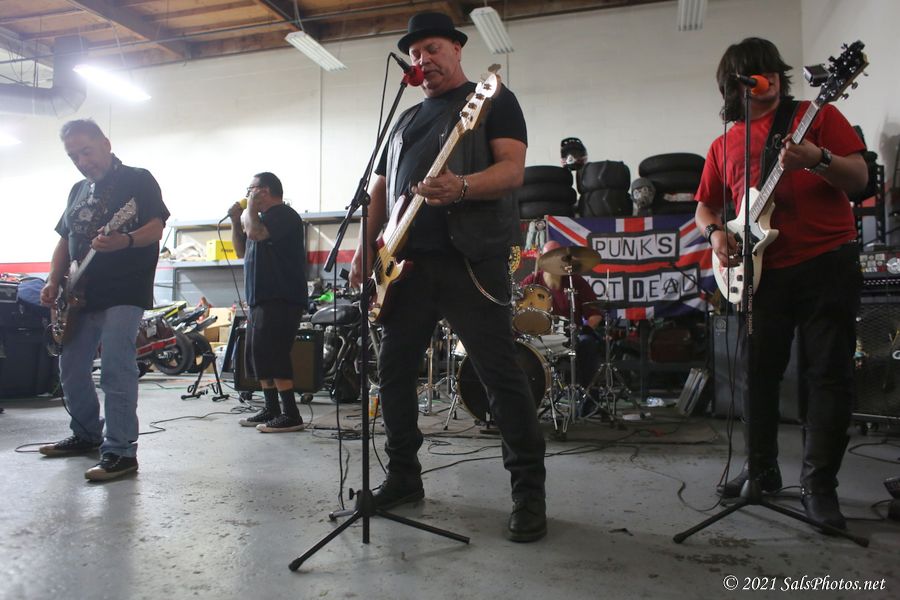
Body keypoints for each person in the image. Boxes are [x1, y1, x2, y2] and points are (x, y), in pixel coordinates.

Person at [349, 11, 547, 542]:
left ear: (457, 49)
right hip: (406, 268)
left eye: (432, 48)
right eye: (415, 53)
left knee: (499, 375)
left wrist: (461, 187)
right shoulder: (404, 119)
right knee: (393, 374)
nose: (423, 60)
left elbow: (512, 171)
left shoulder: (493, 100)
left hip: (471, 261)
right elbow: (379, 190)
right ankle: (403, 477)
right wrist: (366, 250)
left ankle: (529, 494)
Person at [694, 38, 868, 530]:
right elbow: (705, 205)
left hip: (826, 262)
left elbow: (859, 180)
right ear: (736, 85)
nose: (766, 78)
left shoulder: (816, 115)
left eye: (771, 69)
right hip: (761, 273)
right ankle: (761, 469)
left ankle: (819, 487)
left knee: (828, 373)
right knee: (757, 373)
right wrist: (715, 234)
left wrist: (817, 159)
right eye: (754, 72)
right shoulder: (723, 144)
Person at [38, 119, 169, 481]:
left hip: (124, 290)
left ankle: (121, 451)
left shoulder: (137, 179)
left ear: (106, 144)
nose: (82, 161)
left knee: (115, 366)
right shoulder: (77, 190)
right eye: (73, 156)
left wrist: (125, 240)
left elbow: (156, 227)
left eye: (87, 151)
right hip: (79, 295)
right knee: (70, 368)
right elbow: (65, 240)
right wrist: (53, 280)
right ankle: (86, 434)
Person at [229, 172, 309, 432]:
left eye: (250, 189)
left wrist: (249, 208)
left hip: (281, 297)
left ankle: (291, 414)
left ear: (264, 190)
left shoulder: (284, 215)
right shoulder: (258, 220)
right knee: (259, 354)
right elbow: (241, 250)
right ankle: (271, 408)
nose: (247, 194)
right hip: (260, 298)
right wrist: (235, 221)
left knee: (275, 352)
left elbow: (255, 233)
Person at [520, 240, 603, 393]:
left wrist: (585, 330)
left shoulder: (575, 281)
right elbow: (518, 311)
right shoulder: (532, 281)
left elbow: (595, 314)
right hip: (539, 338)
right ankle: (531, 396)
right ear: (542, 259)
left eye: (558, 257)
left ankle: (588, 396)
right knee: (520, 347)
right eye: (550, 256)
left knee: (588, 343)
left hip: (571, 337)